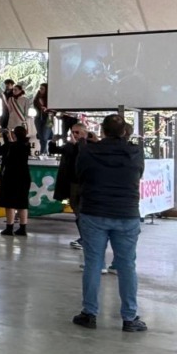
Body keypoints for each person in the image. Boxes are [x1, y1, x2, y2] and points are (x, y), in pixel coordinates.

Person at [71, 115, 147, 332]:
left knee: (93, 264)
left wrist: (88, 145)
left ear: (102, 131)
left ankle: (89, 313)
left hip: (94, 212)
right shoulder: (135, 152)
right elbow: (139, 174)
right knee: (127, 265)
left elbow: (80, 175)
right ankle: (129, 317)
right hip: (127, 213)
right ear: (124, 132)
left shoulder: (88, 151)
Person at [53, 121, 89, 250]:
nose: (74, 135)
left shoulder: (88, 145)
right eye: (72, 132)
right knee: (76, 208)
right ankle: (84, 237)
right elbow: (56, 150)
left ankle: (86, 238)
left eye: (77, 132)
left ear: (84, 133)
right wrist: (53, 141)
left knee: (81, 211)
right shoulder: (70, 145)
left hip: (84, 183)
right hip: (72, 182)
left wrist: (78, 144)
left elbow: (83, 156)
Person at [0, 126, 33, 236]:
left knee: (10, 203)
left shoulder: (10, 146)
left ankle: (9, 227)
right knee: (22, 203)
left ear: (15, 135)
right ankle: (23, 228)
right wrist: (9, 137)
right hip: (24, 176)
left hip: (11, 176)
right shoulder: (26, 145)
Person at [32, 83, 52, 156]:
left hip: (49, 118)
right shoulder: (37, 98)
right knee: (41, 137)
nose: (40, 90)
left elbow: (53, 110)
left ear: (46, 90)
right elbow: (35, 107)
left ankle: (42, 153)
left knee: (44, 136)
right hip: (38, 118)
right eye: (40, 88)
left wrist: (47, 109)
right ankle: (44, 153)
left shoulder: (50, 98)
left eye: (42, 88)